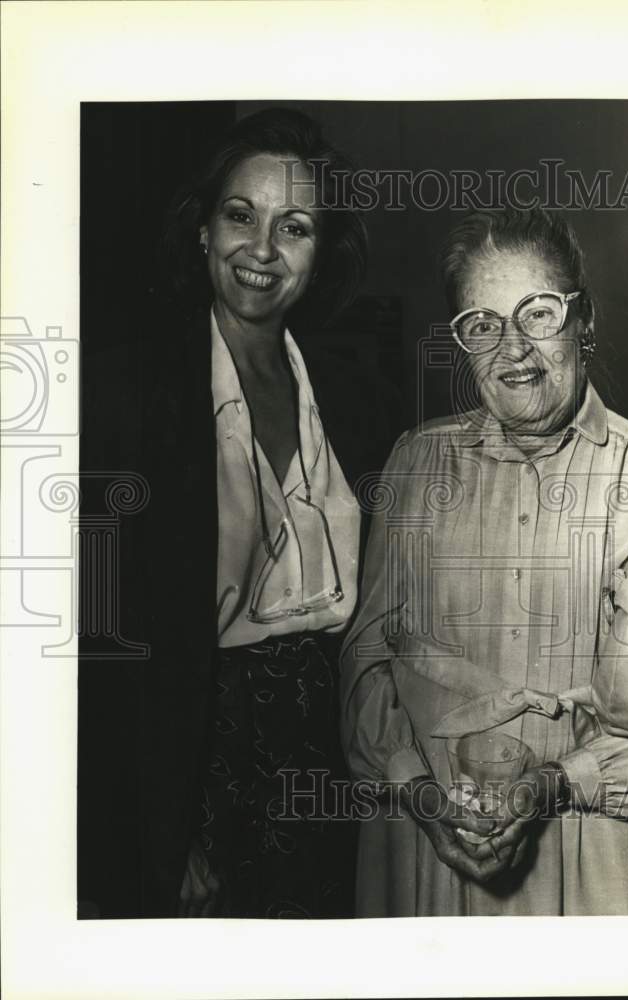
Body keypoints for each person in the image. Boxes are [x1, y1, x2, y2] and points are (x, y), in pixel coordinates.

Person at [78, 108, 390, 918]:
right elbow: (103, 641)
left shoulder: (355, 396)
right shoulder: (123, 394)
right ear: (202, 231)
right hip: (197, 760)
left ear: (320, 255)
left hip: (336, 757)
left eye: (295, 227)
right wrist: (165, 828)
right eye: (240, 216)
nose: (262, 250)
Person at [340, 205, 628, 916]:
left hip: (591, 858)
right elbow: (363, 661)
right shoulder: (416, 463)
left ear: (585, 320)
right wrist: (418, 793)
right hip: (425, 855)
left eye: (537, 313)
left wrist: (559, 781)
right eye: (482, 324)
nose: (513, 348)